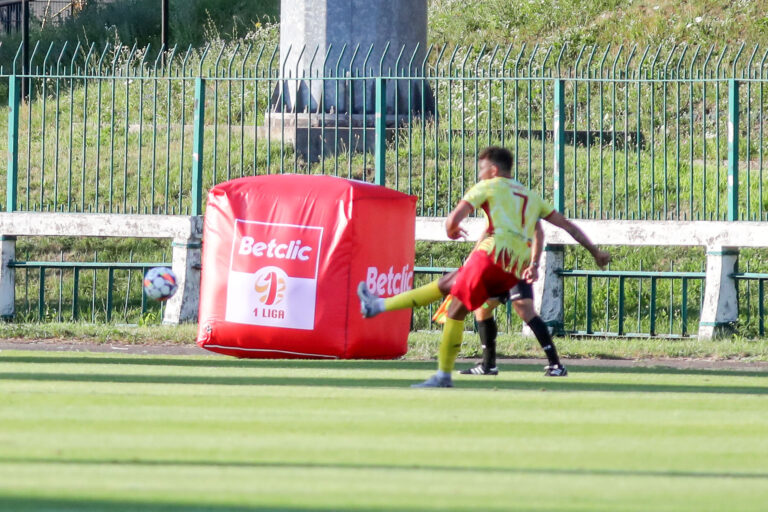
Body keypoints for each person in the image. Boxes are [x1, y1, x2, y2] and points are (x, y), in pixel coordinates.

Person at [357, 146, 611, 388]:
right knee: (452, 286)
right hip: (513, 269)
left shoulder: (487, 186)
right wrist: (595, 251)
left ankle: (441, 371)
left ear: (493, 171)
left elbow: (452, 221)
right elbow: (568, 226)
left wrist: (452, 229)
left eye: (481, 169)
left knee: (455, 309)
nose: (479, 174)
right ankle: (378, 306)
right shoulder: (530, 196)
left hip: (491, 257)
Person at [434, 220, 567, 377]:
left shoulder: (520, 204)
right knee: (482, 309)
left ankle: (556, 365)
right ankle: (488, 365)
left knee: (525, 310)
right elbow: (488, 231)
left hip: (515, 263)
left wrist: (534, 264)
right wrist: (474, 257)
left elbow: (536, 232)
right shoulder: (496, 202)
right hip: (497, 265)